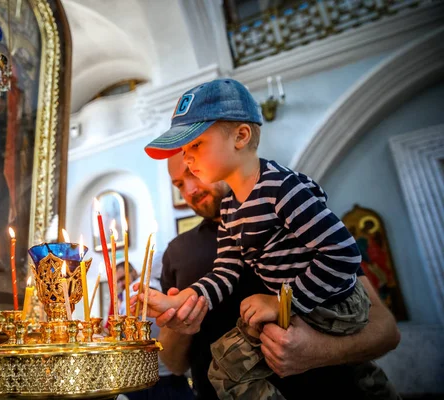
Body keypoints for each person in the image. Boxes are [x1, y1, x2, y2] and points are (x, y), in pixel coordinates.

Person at [135, 78, 400, 399]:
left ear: (241, 136)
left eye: (195, 146)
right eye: (178, 181)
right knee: (226, 365)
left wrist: (281, 301)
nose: (187, 161)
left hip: (332, 308)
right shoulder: (232, 207)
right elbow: (225, 271)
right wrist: (182, 301)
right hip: (293, 309)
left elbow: (343, 255)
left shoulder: (283, 189)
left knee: (361, 379)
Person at [119, 257, 195, 400]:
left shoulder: (141, 295)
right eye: (119, 281)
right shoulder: (128, 298)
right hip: (150, 375)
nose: (121, 283)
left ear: (134, 272)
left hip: (164, 377)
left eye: (123, 278)